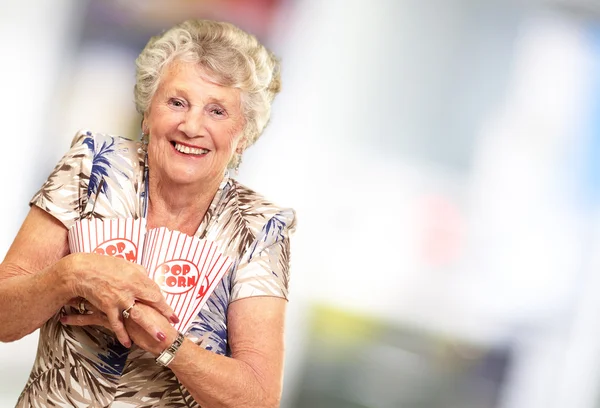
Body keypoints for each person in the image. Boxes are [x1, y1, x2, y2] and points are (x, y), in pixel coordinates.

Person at [0, 19, 295, 408]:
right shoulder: (93, 166)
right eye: (177, 102)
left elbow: (258, 399)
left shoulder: (259, 228)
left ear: (242, 136)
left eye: (217, 111)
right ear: (146, 113)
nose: (191, 126)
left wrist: (165, 342)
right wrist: (72, 276)